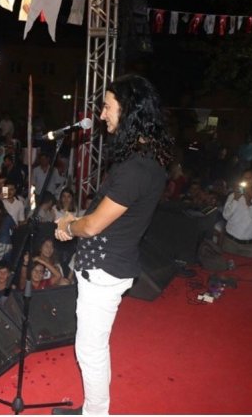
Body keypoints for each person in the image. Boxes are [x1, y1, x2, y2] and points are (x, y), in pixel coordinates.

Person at [53, 74, 173, 415]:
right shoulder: (144, 160)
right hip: (109, 265)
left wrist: (68, 226)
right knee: (94, 347)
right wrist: (76, 220)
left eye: (107, 107)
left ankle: (95, 413)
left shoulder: (137, 168)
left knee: (90, 350)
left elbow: (93, 225)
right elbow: (107, 216)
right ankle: (94, 408)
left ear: (130, 109)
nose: (102, 114)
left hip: (104, 269)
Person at [221, 169, 252, 258]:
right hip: (230, 242)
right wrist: (236, 199)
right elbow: (225, 216)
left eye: (250, 178)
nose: (247, 180)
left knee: (245, 267)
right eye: (245, 178)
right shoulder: (233, 195)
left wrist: (249, 202)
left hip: (249, 246)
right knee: (226, 265)